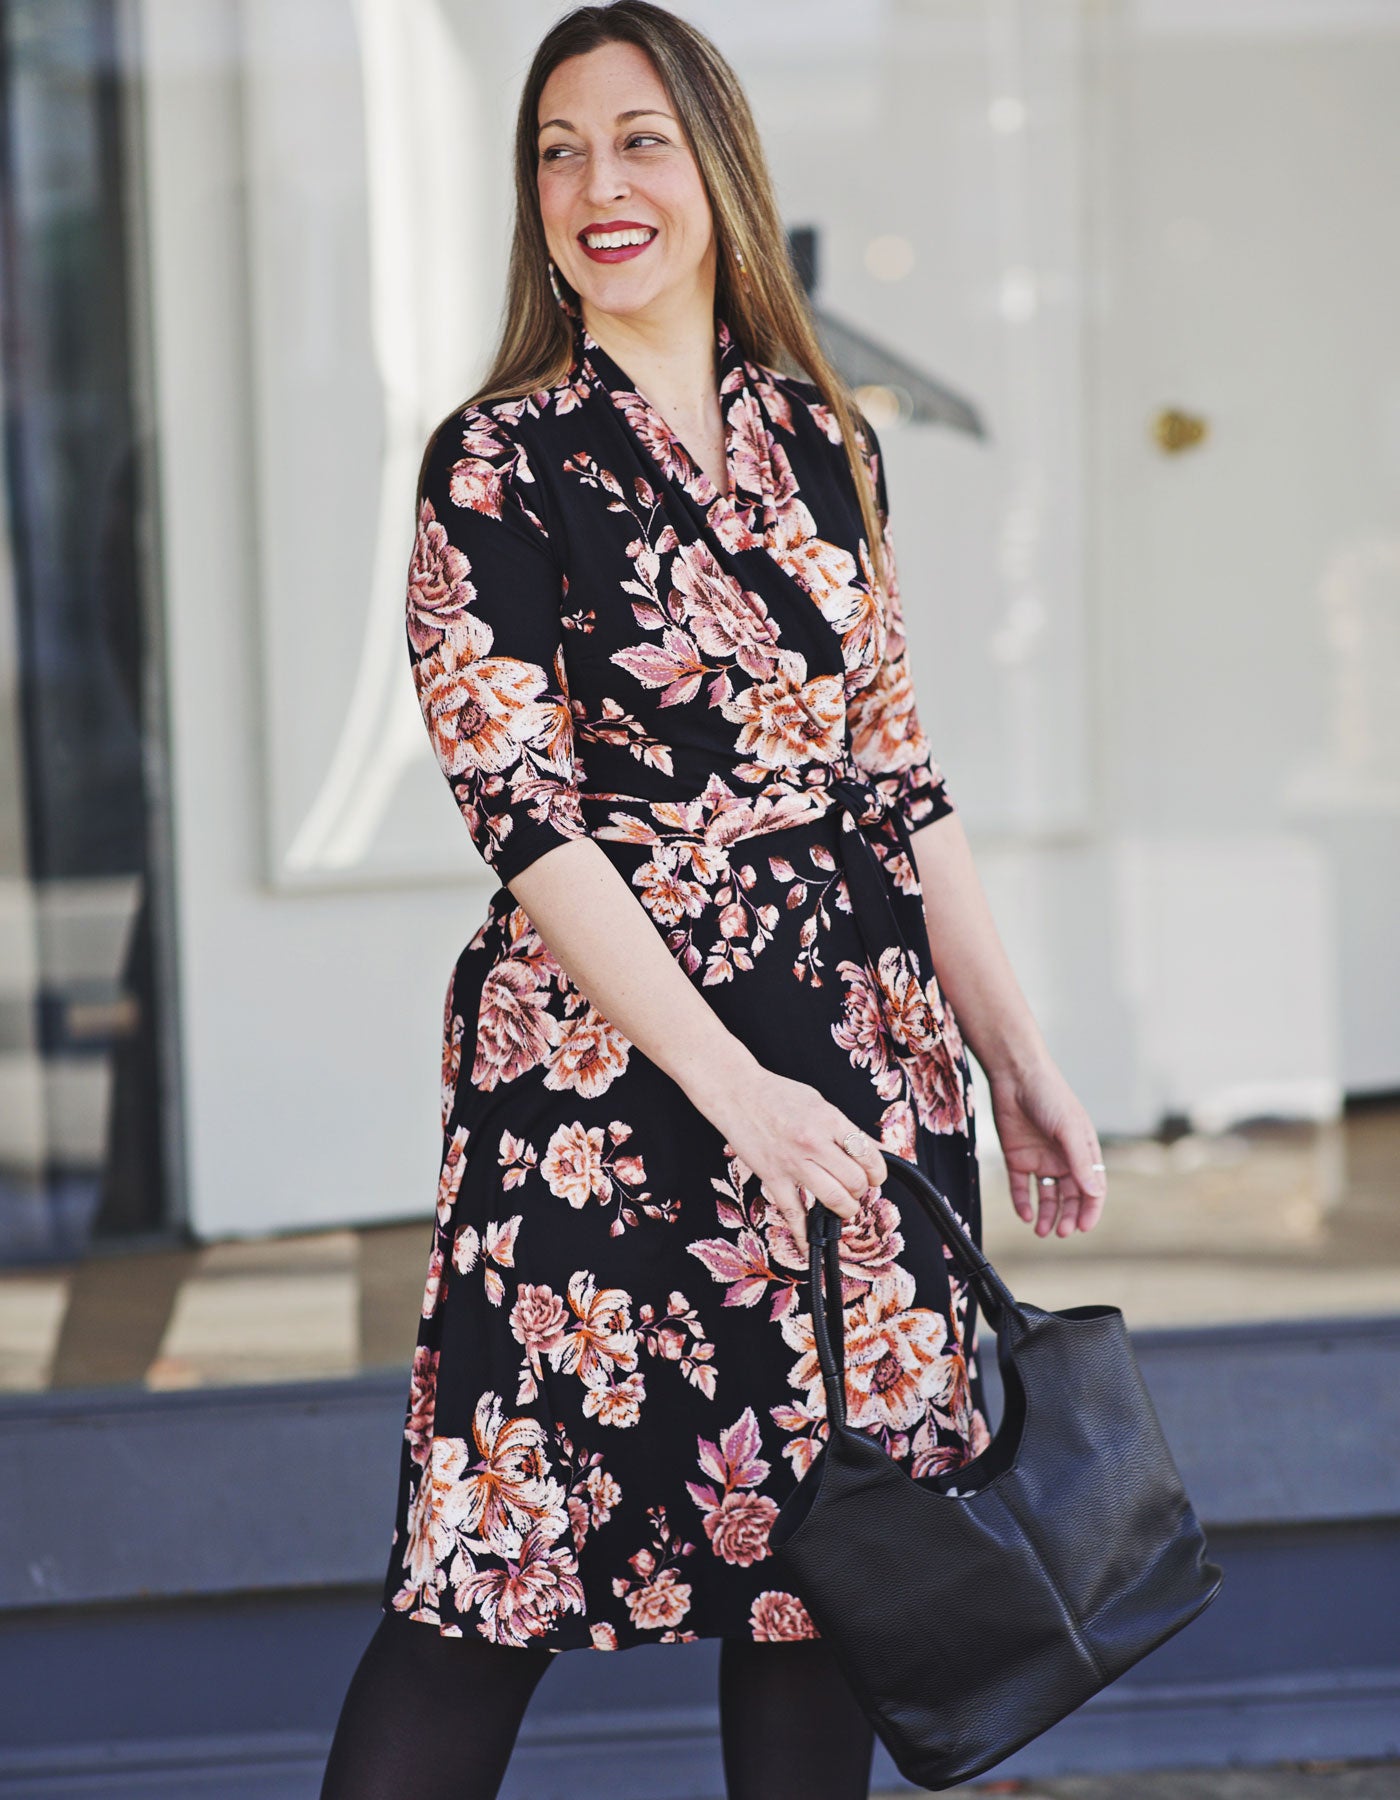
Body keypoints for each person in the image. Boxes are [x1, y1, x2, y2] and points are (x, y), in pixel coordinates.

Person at [320, 5, 1108, 1797]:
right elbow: (524, 820)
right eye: (558, 150)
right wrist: (732, 1088)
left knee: (832, 1575)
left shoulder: (830, 440)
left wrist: (1020, 1059)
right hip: (605, 1095)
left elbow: (900, 782)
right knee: (490, 1573)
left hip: (853, 1070)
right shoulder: (496, 461)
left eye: (639, 140)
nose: (597, 182)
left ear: (719, 170)